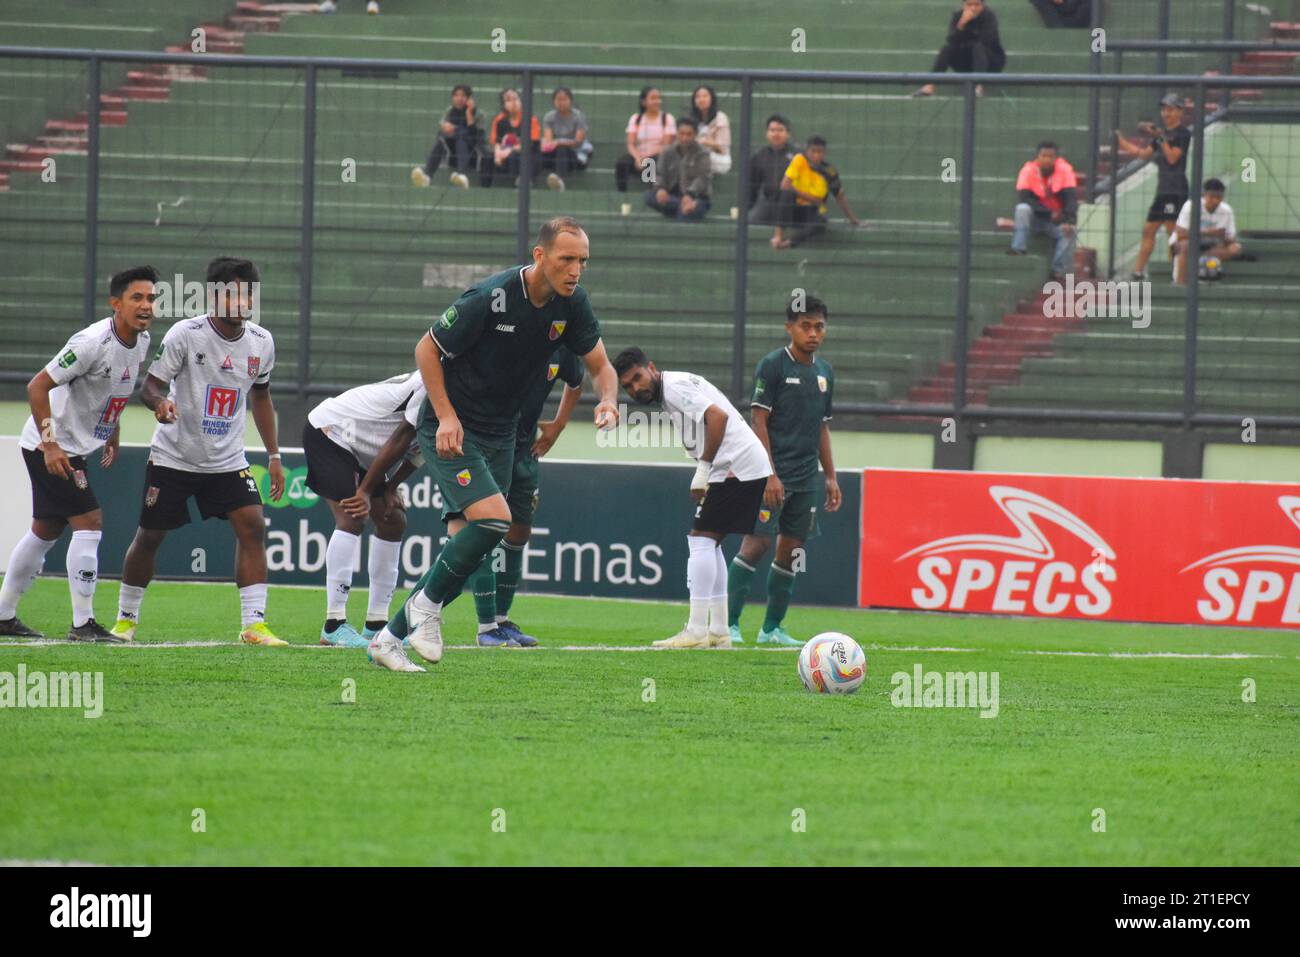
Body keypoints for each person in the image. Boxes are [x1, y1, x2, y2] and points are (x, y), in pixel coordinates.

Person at [366, 216, 621, 673]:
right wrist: (444, 416)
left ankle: (388, 638)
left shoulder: (573, 303)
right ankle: (426, 610)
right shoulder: (492, 296)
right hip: (455, 427)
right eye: (567, 259)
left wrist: (608, 400)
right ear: (539, 256)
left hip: (503, 433)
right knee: (496, 520)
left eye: (582, 261)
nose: (575, 270)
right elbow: (427, 348)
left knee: (474, 542)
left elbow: (601, 366)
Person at [112, 257, 286, 646]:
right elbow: (150, 387)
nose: (242, 301)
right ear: (215, 295)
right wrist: (160, 404)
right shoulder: (185, 334)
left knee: (253, 525)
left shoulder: (262, 341)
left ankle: (254, 625)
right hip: (175, 456)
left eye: (248, 293)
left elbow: (261, 396)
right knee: (151, 536)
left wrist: (273, 456)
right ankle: (125, 620)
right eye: (234, 292)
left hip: (227, 460)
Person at [0, 266, 157, 641]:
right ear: (115, 304)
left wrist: (112, 430)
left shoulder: (143, 340)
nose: (146, 305)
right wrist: (51, 444)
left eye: (151, 298)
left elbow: (114, 388)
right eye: (137, 297)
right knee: (90, 520)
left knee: (45, 530)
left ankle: (3, 615)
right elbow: (37, 387)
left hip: (73, 445)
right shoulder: (90, 342)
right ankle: (82, 624)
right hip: (49, 445)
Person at [614, 348, 773, 649]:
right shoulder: (671, 390)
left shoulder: (673, 388)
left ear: (651, 367)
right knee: (708, 541)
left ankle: (698, 630)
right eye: (628, 386)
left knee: (700, 539)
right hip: (738, 466)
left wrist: (703, 469)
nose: (636, 388)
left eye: (638, 378)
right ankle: (719, 630)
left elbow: (718, 416)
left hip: (735, 466)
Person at [728, 295, 839, 647]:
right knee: (756, 543)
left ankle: (771, 629)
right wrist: (768, 474)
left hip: (806, 478)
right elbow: (758, 420)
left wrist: (831, 476)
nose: (813, 333)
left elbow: (822, 426)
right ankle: (727, 625)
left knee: (790, 550)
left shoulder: (824, 373)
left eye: (819, 326)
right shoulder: (773, 365)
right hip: (770, 474)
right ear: (789, 327)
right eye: (805, 326)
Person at [302, 372, 427, 648]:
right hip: (330, 431)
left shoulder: (465, 393)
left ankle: (376, 626)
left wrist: (391, 487)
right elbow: (401, 438)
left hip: (361, 449)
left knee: (393, 521)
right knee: (353, 516)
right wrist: (365, 492)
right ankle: (333, 625)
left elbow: (420, 451)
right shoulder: (433, 382)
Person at [1115, 93, 1191, 281]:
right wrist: (1121, 141)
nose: (1166, 113)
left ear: (1180, 111)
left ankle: (1177, 273)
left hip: (1176, 190)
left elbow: (1173, 158)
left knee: (1172, 231)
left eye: (1171, 109)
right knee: (1149, 229)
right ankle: (1138, 272)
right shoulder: (1162, 135)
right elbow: (1143, 154)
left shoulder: (1182, 133)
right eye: (1164, 109)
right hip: (1163, 189)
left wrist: (1161, 137)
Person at [771, 135, 860, 248]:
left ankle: (788, 243)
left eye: (820, 152)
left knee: (821, 222)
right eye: (813, 151)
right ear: (807, 151)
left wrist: (853, 219)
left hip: (810, 211)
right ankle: (778, 236)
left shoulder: (829, 172)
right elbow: (784, 185)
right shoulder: (799, 160)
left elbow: (839, 197)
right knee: (786, 195)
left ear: (825, 153)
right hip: (793, 209)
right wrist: (813, 199)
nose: (816, 155)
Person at [1008, 140, 1079, 280]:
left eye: (1050, 156)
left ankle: (1057, 271)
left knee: (1070, 232)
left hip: (1055, 222)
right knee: (1022, 209)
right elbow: (1025, 198)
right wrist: (1048, 213)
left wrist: (1069, 220)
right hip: (1035, 219)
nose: (1047, 159)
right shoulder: (1028, 170)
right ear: (1038, 157)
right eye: (1043, 155)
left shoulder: (1065, 170)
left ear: (1056, 158)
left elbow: (1071, 200)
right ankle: (1018, 248)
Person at [915, 0, 1007, 97]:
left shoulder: (989, 16)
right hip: (967, 63)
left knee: (978, 47)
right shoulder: (958, 15)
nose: (973, 8)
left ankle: (978, 86)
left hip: (990, 63)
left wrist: (971, 26)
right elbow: (951, 40)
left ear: (983, 5)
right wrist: (962, 24)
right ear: (964, 5)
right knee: (947, 49)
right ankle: (930, 85)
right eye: (969, 5)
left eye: (977, 5)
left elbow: (987, 40)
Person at [1172, 179, 1242, 286]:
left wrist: (1224, 237)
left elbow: (1231, 238)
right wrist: (1208, 232)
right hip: (1190, 242)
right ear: (1204, 195)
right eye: (1212, 197)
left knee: (1235, 249)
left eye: (1219, 197)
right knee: (1185, 245)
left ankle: (1202, 262)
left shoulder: (1227, 211)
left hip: (1213, 245)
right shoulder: (1191, 206)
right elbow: (1180, 234)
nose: (1215, 201)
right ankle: (1180, 284)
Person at [411, 84, 480, 190]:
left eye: (463, 95)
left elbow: (475, 136)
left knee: (461, 139)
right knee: (442, 140)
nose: (459, 99)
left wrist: (468, 114)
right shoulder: (449, 112)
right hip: (452, 150)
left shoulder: (478, 113)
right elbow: (442, 132)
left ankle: (462, 176)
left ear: (469, 98)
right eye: (456, 95)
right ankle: (427, 177)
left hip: (472, 151)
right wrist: (452, 130)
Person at [644, 118, 713, 222]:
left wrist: (690, 195)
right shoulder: (667, 151)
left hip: (696, 197)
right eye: (681, 134)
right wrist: (660, 188)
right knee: (649, 196)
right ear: (677, 133)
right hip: (672, 197)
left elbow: (703, 178)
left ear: (695, 135)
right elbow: (660, 173)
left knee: (687, 213)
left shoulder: (703, 153)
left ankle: (688, 208)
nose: (684, 138)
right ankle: (682, 206)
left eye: (689, 134)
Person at [616, 86, 675, 192]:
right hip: (639, 155)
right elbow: (630, 143)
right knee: (622, 163)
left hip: (658, 155)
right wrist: (638, 158)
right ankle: (622, 194)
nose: (657, 101)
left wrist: (645, 158)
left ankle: (652, 193)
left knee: (651, 164)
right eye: (653, 98)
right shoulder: (636, 119)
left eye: (658, 98)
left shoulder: (667, 118)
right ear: (643, 102)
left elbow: (666, 145)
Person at [481, 88, 541, 189]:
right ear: (503, 105)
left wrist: (509, 150)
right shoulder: (499, 120)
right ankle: (484, 188)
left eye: (516, 98)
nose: (514, 102)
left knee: (516, 155)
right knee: (487, 156)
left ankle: (519, 185)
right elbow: (495, 142)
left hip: (527, 155)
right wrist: (497, 155)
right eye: (509, 100)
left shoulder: (531, 119)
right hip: (503, 155)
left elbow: (531, 145)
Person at [540, 86, 592, 191]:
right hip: (555, 154)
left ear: (570, 101)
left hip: (575, 155)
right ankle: (524, 180)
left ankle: (559, 181)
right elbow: (549, 140)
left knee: (562, 148)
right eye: (558, 99)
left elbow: (578, 142)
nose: (561, 102)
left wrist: (559, 142)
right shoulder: (549, 117)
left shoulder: (578, 116)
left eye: (564, 99)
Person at [748, 114, 796, 226]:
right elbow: (752, 186)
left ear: (788, 133)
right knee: (750, 223)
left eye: (780, 130)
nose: (776, 134)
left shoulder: (798, 155)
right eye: (772, 130)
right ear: (767, 133)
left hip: (792, 203)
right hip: (768, 202)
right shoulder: (759, 156)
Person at [687, 85, 731, 175]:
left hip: (719, 158)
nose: (701, 99)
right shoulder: (691, 118)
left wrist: (705, 142)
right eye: (698, 97)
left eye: (705, 96)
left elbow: (723, 148)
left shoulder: (720, 118)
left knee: (697, 160)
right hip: (696, 156)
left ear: (712, 99)